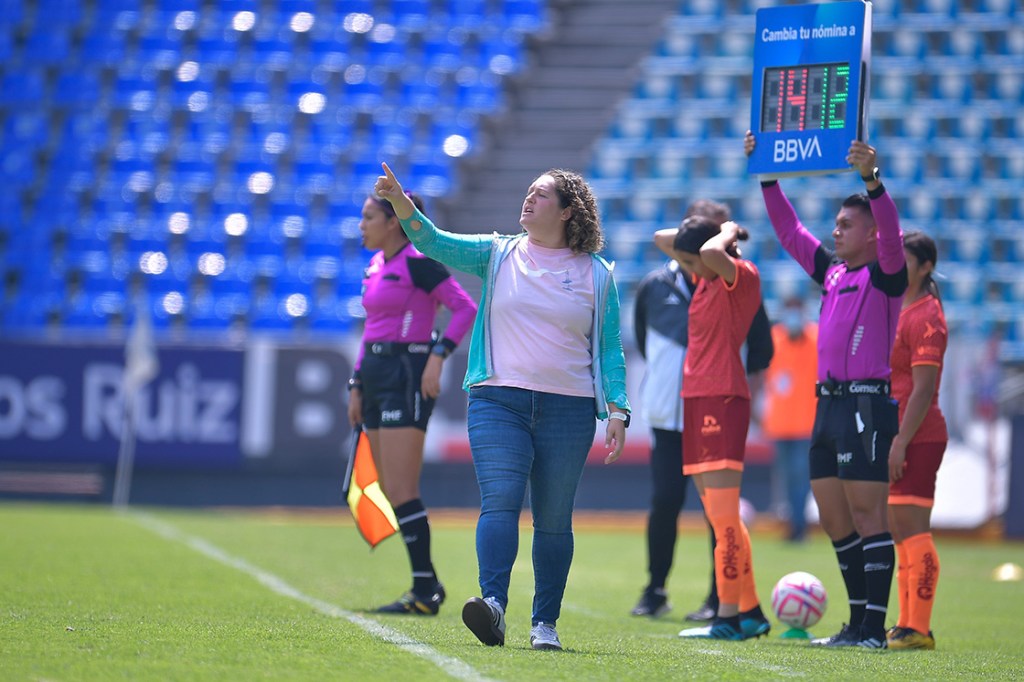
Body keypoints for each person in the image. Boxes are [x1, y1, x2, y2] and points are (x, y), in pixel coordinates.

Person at [372, 162, 630, 651]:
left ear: (569, 210)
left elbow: (610, 347)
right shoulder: (497, 253)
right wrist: (401, 204)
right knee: (501, 502)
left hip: (569, 409)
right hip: (497, 400)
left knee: (554, 519)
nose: (528, 199)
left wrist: (618, 409)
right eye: (528, 191)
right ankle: (492, 606)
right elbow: (434, 241)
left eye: (541, 195)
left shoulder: (598, 274)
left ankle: (544, 624)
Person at [745, 131, 908, 649]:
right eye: (835, 224)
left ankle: (874, 630)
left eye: (845, 225)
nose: (834, 232)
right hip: (827, 408)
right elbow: (790, 230)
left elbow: (892, 230)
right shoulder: (834, 274)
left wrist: (871, 181)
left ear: (871, 235)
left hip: (865, 406)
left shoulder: (887, 275)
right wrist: (768, 174)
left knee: (868, 516)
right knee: (837, 521)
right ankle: (857, 623)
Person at [631, 199, 773, 623]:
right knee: (685, 505)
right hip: (684, 406)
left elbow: (762, 348)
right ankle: (732, 605)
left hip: (719, 401)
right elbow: (669, 244)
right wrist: (706, 235)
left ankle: (728, 605)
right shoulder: (678, 281)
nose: (690, 265)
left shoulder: (730, 276)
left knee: (721, 513)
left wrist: (725, 232)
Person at [347, 190, 477, 616]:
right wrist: (356, 382)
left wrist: (437, 357)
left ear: (392, 222)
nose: (361, 225)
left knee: (402, 488)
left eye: (369, 217)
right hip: (378, 375)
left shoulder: (419, 264)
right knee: (389, 487)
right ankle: (427, 583)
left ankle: (424, 590)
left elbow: (464, 308)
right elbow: (372, 329)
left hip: (407, 373)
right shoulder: (376, 265)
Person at [886, 231, 948, 651]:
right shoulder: (900, 308)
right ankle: (907, 623)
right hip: (900, 433)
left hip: (919, 434)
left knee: (913, 528)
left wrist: (902, 442)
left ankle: (919, 627)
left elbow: (924, 389)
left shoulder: (927, 315)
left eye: (904, 260)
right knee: (900, 532)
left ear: (924, 266)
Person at [762, 295, 818, 542]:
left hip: (806, 424)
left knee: (800, 477)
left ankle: (798, 526)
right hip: (780, 424)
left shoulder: (816, 339)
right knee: (786, 479)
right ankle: (794, 524)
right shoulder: (775, 339)